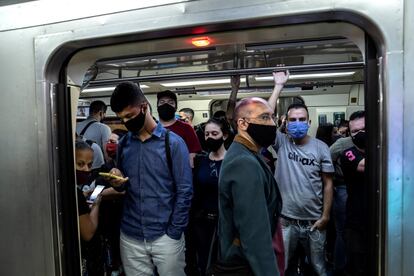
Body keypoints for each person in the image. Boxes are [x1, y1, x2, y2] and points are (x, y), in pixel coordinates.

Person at [106, 82, 193, 276]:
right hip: (130, 235)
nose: (126, 122)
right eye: (122, 118)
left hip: (165, 235)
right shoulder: (124, 144)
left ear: (144, 107)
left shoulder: (174, 144)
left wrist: (174, 232)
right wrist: (117, 182)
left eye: (130, 116)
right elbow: (123, 187)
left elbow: (185, 191)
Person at [268, 71, 334, 276]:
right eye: (293, 119)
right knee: (282, 267)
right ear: (286, 123)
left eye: (301, 119)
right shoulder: (282, 143)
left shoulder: (321, 147)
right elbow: (264, 117)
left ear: (309, 122)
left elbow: (328, 184)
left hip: (314, 221)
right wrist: (278, 86)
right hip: (286, 220)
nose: (297, 123)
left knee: (318, 268)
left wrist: (325, 216)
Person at [218, 97, 282, 276]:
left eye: (272, 117)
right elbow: (254, 234)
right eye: (264, 118)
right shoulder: (244, 162)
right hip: (244, 261)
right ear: (243, 124)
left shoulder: (246, 153)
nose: (271, 124)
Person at [191, 117, 230, 275]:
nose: (210, 138)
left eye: (215, 133)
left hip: (226, 223)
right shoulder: (201, 161)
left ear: (224, 135)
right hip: (203, 222)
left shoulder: (233, 161)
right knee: (205, 263)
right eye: (207, 134)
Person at [339, 111, 367, 276]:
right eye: (355, 131)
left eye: (364, 128)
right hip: (357, 221)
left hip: (383, 219)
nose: (361, 134)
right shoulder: (348, 154)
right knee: (357, 267)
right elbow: (364, 166)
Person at [75, 139, 102, 276]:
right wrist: (96, 203)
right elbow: (88, 232)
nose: (86, 169)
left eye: (89, 165)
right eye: (80, 164)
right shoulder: (76, 195)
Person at [329, 131, 354, 275]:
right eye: (355, 130)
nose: (360, 133)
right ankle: (340, 268)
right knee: (343, 231)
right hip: (343, 186)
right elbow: (326, 159)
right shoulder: (343, 144)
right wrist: (331, 181)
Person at [157, 90, 202, 167]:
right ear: (157, 106)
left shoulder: (186, 128)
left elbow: (192, 155)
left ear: (176, 107)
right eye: (162, 102)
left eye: (171, 103)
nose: (166, 105)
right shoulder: (153, 128)